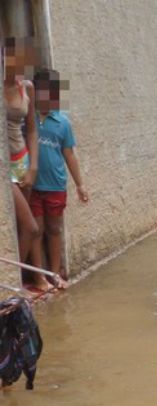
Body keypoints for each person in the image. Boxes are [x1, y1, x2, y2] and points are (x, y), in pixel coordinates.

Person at [28, 69, 89, 289]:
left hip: (55, 186)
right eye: (41, 92)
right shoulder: (29, 119)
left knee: (54, 229)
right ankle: (39, 277)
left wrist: (80, 185)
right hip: (33, 186)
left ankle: (54, 273)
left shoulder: (62, 122)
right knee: (36, 230)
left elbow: (69, 155)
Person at [3, 37, 40, 282]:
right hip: (3, 166)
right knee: (31, 227)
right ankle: (14, 282)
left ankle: (20, 281)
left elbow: (32, 129)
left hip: (22, 161)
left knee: (20, 228)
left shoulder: (26, 87)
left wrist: (33, 166)